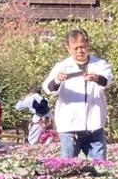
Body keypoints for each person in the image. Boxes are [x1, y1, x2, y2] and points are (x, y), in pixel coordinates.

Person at [41, 29, 113, 160]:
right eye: (76, 48)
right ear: (68, 49)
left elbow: (107, 81)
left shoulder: (100, 64)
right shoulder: (62, 66)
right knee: (67, 166)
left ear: (88, 45)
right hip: (70, 128)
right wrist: (57, 80)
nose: (80, 51)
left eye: (83, 47)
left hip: (94, 126)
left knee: (100, 166)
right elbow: (48, 88)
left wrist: (97, 78)